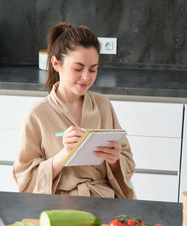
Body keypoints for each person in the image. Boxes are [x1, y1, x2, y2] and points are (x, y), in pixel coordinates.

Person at [12, 22, 135, 198]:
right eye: (78, 69)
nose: (86, 77)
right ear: (56, 64)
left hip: (104, 201)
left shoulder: (103, 105)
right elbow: (25, 180)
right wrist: (65, 154)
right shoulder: (37, 115)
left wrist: (115, 160)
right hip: (58, 205)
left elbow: (128, 162)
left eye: (93, 69)